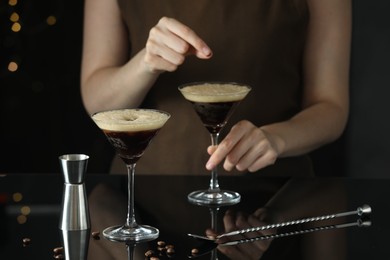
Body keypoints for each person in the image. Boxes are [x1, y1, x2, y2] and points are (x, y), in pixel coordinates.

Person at [81, 0, 351, 178]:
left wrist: (277, 139)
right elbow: (98, 104)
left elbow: (331, 108)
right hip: (143, 198)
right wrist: (146, 63)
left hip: (274, 201)